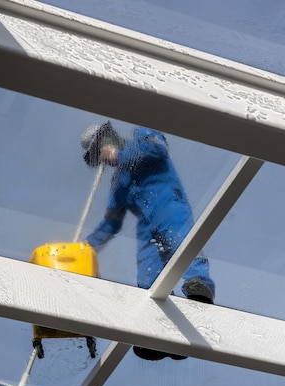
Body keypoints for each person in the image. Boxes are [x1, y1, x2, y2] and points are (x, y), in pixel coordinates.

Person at [81, 121, 215, 361]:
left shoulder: (142, 137)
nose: (102, 160)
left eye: (98, 152)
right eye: (98, 157)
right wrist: (87, 246)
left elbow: (158, 150)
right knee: (147, 276)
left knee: (181, 244)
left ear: (107, 141)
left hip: (167, 205)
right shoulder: (119, 182)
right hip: (147, 227)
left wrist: (121, 155)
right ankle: (160, 331)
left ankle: (199, 288)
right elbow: (112, 222)